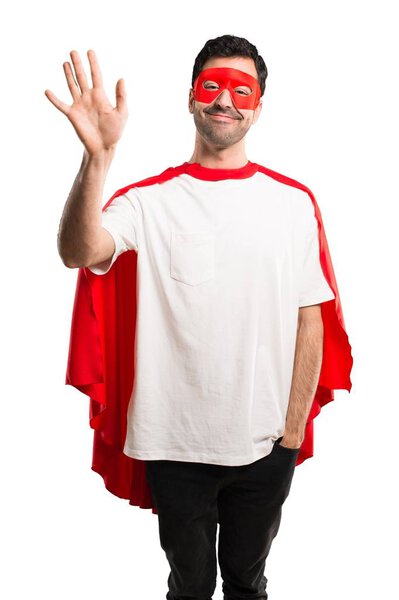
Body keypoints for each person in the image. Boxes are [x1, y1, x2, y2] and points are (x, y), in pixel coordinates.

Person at [47, 34, 353, 600]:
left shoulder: (292, 202)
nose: (225, 100)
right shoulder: (147, 201)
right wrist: (97, 160)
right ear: (191, 98)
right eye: (211, 86)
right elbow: (78, 251)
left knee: (247, 581)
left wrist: (291, 431)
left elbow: (311, 316)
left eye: (242, 89)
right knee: (189, 586)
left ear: (258, 106)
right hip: (173, 442)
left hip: (265, 442)